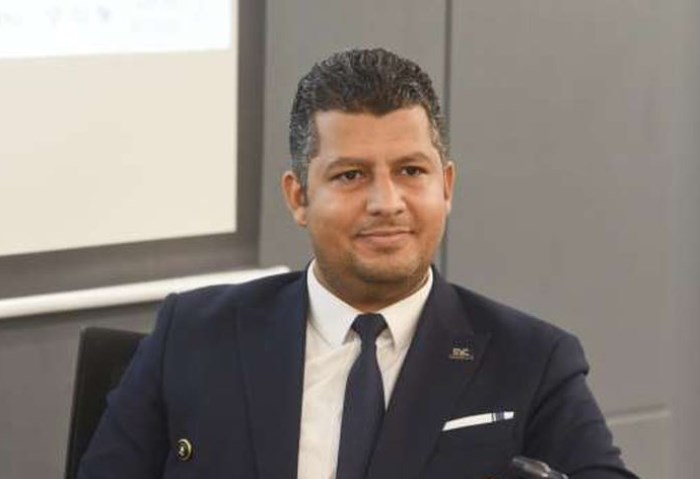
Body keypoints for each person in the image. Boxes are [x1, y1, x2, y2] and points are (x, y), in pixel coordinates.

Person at [78, 48, 637, 478]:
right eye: (351, 175)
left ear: (446, 186)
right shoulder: (192, 334)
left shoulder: (532, 361)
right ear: (299, 197)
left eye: (411, 171)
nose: (386, 202)